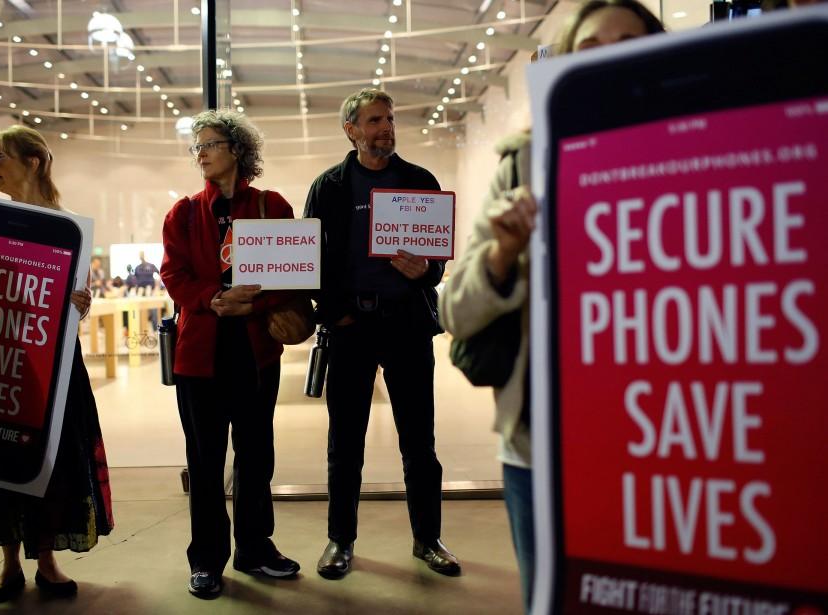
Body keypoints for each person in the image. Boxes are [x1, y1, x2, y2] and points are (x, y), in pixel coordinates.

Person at [438, 2, 664, 612]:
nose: (611, 56)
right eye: (591, 46)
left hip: (672, 441)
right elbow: (455, 310)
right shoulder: (522, 165)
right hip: (545, 445)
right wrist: (502, 255)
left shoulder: (708, 152)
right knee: (554, 598)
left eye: (630, 42)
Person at [0, 125, 113, 607]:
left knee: (52, 459)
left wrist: (81, 302)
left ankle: (46, 559)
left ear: (33, 161)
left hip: (52, 362)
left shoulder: (67, 227)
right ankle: (9, 565)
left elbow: (73, 305)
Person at [303, 88, 458, 579]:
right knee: (345, 441)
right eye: (373, 120)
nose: (385, 128)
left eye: (389, 119)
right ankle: (340, 541)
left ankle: (427, 538)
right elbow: (312, 259)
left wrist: (426, 272)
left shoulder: (419, 180)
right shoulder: (329, 186)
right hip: (351, 328)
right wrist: (334, 312)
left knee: (419, 441)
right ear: (351, 130)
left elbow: (437, 258)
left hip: (408, 326)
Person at [160, 109, 301, 599]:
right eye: (196, 146)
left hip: (254, 352)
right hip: (199, 355)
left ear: (237, 149)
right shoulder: (182, 213)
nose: (200, 153)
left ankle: (256, 548)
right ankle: (206, 559)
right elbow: (173, 275)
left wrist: (253, 302)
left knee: (256, 455)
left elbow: (292, 274)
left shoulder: (271, 206)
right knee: (204, 461)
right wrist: (213, 300)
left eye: (210, 144)